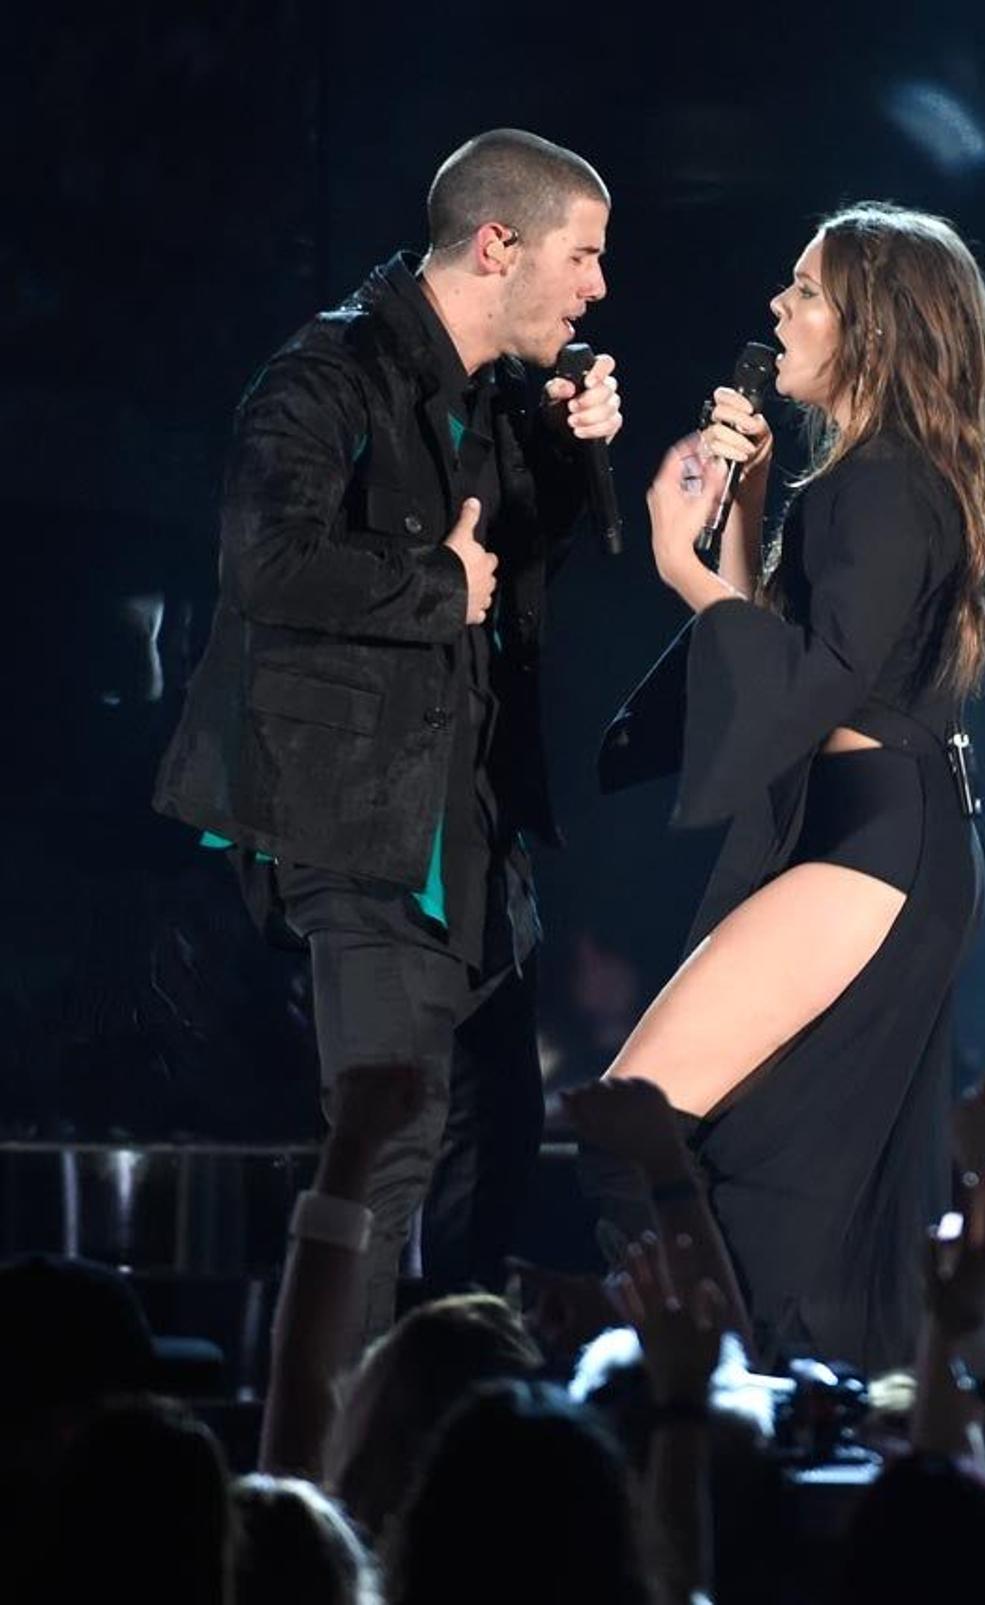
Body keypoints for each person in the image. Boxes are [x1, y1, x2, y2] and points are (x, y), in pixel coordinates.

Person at [153, 129, 622, 1348]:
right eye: (582, 257)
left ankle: (447, 1401)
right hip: (359, 832)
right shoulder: (326, 375)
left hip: (473, 830)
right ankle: (327, 1448)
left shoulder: (498, 399)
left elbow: (519, 566)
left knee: (496, 1141)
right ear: (497, 244)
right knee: (387, 1146)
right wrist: (430, 584)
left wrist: (575, 462)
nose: (597, 288)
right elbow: (265, 562)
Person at [595, 202, 985, 1372]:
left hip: (873, 843)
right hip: (879, 834)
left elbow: (813, 681)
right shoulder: (877, 478)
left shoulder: (882, 485)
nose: (778, 311)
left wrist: (680, 564)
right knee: (778, 1154)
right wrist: (753, 507)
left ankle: (713, 1399)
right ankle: (745, 1392)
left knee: (638, 1128)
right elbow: (791, 648)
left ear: (873, 329)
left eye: (806, 292)